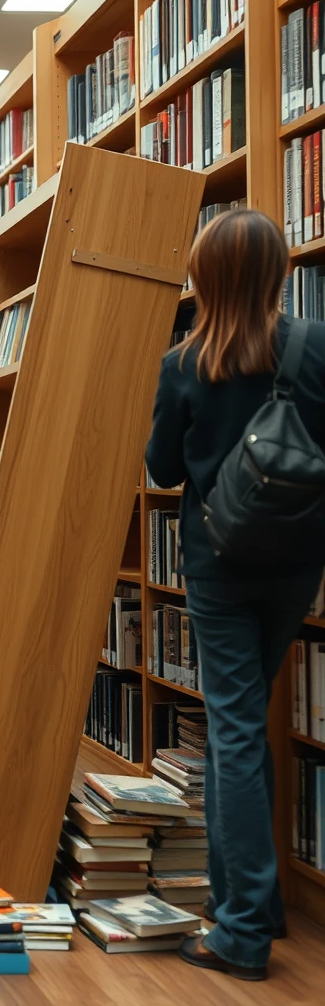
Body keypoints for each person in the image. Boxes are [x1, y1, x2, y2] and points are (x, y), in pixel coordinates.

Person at [146, 209, 325, 982]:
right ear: (280, 270)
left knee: (236, 730)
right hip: (298, 558)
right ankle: (250, 903)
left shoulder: (185, 363)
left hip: (218, 560)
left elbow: (161, 469)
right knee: (243, 728)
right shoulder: (316, 345)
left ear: (205, 276)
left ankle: (244, 930)